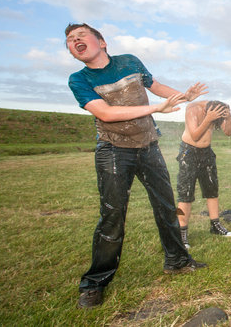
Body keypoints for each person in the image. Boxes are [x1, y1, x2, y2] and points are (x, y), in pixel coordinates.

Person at [65, 23, 207, 309]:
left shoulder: (129, 61)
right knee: (112, 216)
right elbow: (105, 113)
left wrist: (183, 96)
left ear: (101, 41)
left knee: (167, 206)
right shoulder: (78, 79)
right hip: (114, 150)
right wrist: (157, 108)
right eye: (69, 40)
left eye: (81, 35)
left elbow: (154, 87)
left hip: (148, 145)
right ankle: (94, 283)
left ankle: (177, 260)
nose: (75, 41)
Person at [177, 100, 231, 249]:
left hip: (206, 152)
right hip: (188, 152)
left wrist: (228, 118)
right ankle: (181, 232)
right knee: (186, 192)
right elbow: (195, 135)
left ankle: (215, 225)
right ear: (207, 110)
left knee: (212, 190)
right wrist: (209, 118)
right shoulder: (193, 108)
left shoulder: (221, 110)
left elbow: (228, 132)